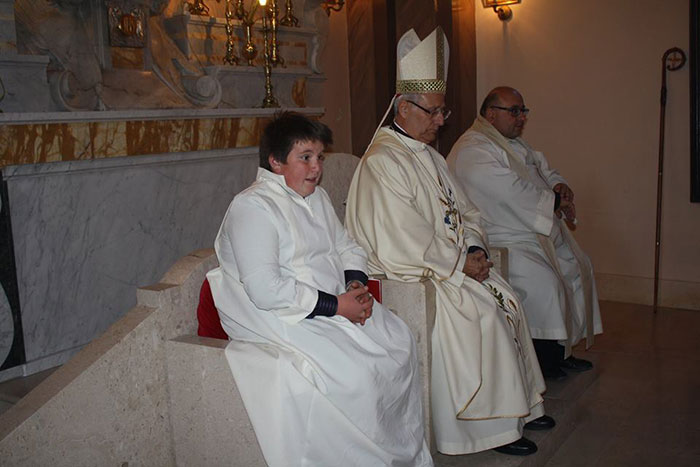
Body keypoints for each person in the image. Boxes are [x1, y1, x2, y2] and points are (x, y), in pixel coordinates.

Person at [345, 28, 552, 457]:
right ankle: (488, 428)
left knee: (506, 299)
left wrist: (474, 248)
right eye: (435, 112)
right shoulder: (383, 161)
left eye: (443, 111)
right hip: (414, 272)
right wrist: (459, 262)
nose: (443, 120)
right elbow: (400, 235)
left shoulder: (431, 155)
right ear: (405, 107)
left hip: (450, 263)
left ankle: (520, 410)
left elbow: (468, 212)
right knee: (481, 312)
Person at [206, 112, 433, 467]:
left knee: (399, 342)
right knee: (355, 375)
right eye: (305, 157)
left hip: (329, 302)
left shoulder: (317, 197)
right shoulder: (252, 206)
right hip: (278, 316)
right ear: (276, 162)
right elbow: (266, 289)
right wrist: (338, 306)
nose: (316, 168)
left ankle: (400, 457)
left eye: (320, 157)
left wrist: (355, 284)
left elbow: (346, 247)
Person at [446, 86, 603, 380]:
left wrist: (559, 187)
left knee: (577, 268)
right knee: (545, 283)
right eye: (514, 111)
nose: (521, 118)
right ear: (491, 114)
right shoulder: (473, 149)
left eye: (523, 111)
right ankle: (543, 363)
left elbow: (542, 171)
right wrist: (553, 203)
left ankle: (562, 352)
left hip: (529, 230)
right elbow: (508, 192)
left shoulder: (513, 144)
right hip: (502, 237)